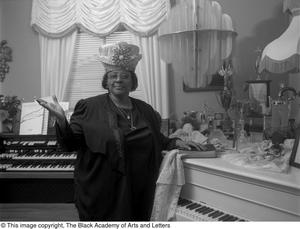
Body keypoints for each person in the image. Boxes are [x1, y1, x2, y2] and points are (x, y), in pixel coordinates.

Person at [37, 42, 200, 221]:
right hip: (103, 192)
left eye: (125, 76)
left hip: (141, 191)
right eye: (113, 75)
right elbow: (70, 144)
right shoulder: (89, 107)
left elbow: (157, 140)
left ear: (133, 82)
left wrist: (176, 142)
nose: (118, 80)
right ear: (106, 81)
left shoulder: (146, 110)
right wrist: (61, 120)